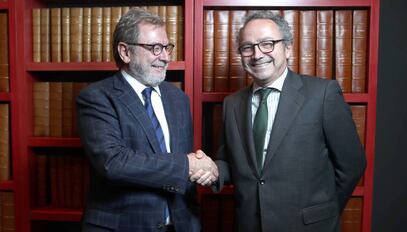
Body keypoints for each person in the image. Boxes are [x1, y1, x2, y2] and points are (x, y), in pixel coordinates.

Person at [212, 11, 366, 232]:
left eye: (267, 44)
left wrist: (324, 211)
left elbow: (352, 164)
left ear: (288, 48)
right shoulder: (232, 104)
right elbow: (227, 161)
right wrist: (209, 169)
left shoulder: (322, 94)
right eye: (248, 47)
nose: (257, 54)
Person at [77, 9, 217, 232]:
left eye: (167, 47)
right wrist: (188, 165)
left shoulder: (178, 99)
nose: (165, 57)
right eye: (155, 48)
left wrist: (207, 170)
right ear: (125, 52)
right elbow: (113, 163)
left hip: (181, 225)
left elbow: (185, 166)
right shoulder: (97, 97)